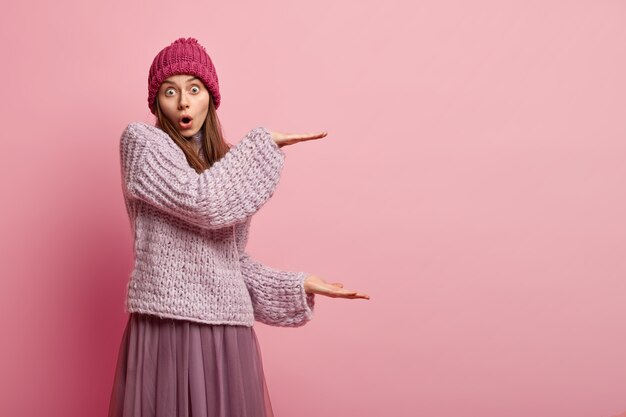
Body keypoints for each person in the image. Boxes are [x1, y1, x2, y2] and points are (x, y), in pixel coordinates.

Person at [107, 37, 370, 417]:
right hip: (167, 329)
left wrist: (296, 283)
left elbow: (226, 262)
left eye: (194, 89)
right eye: (170, 91)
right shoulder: (141, 144)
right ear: (157, 102)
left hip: (226, 335)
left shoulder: (227, 163)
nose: (183, 101)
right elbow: (203, 201)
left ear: (210, 98)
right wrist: (263, 145)